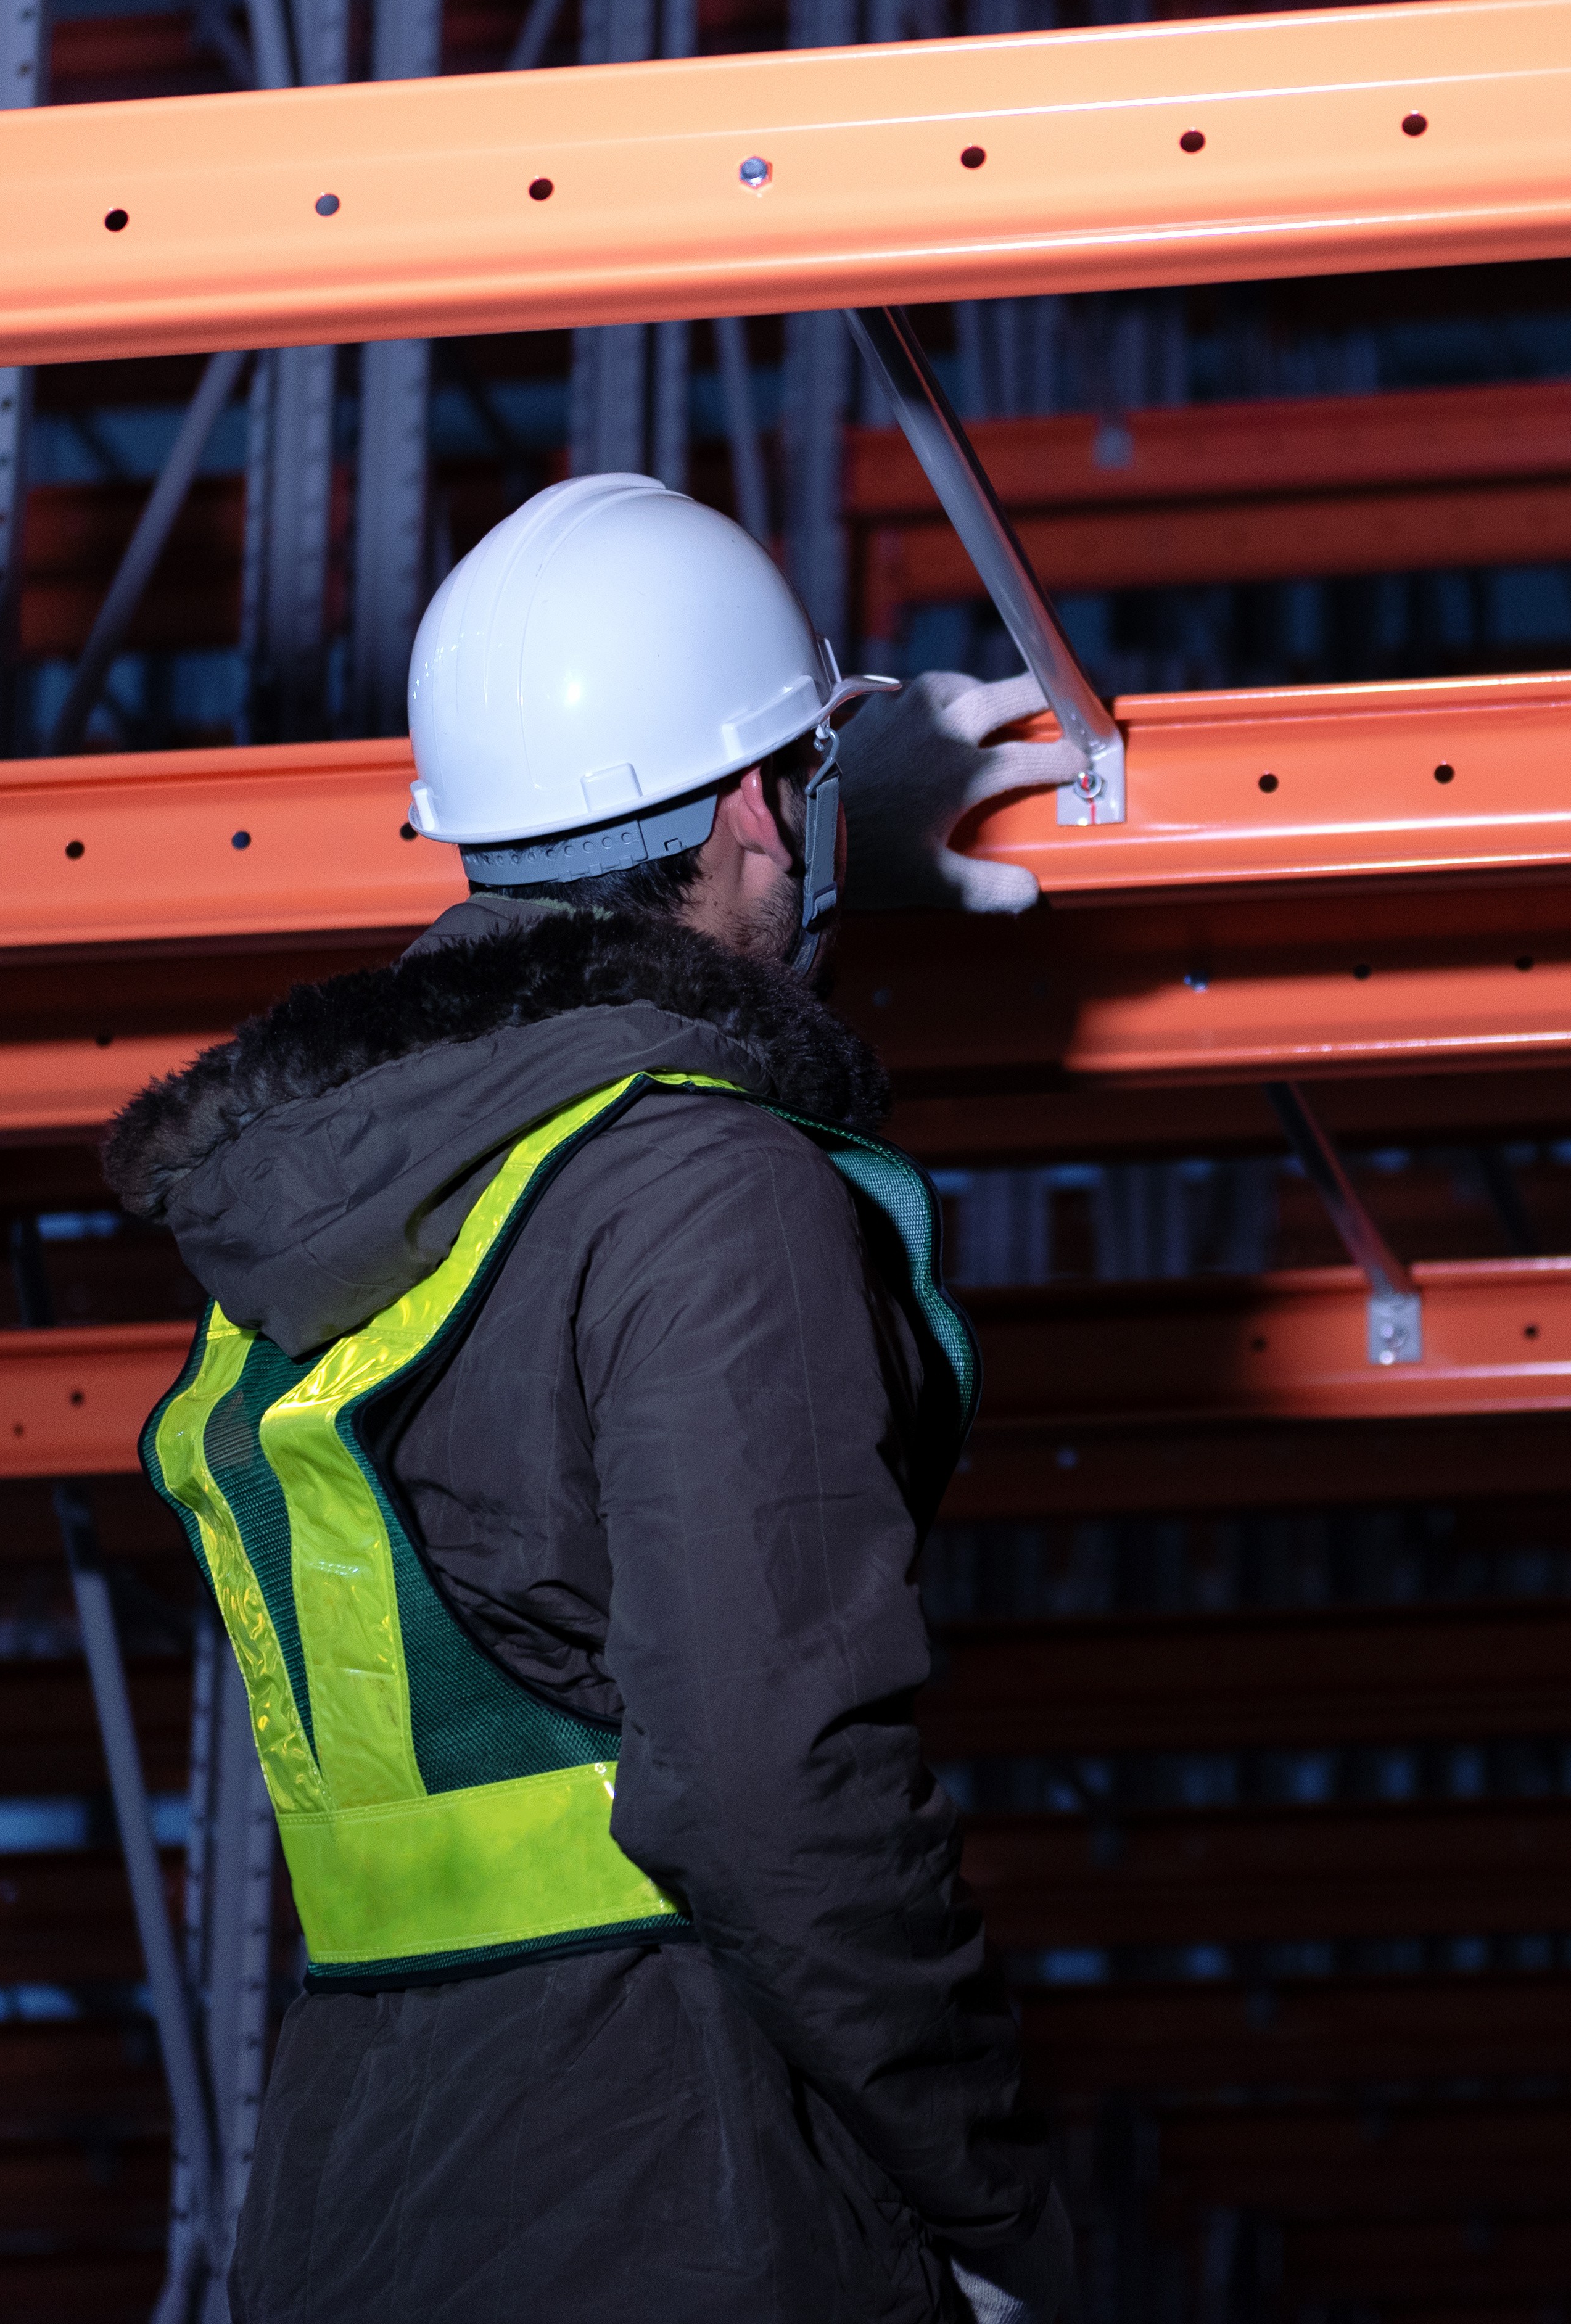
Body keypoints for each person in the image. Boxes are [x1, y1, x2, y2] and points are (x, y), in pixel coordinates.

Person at [103, 473, 1079, 2322]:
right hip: (686, 2194)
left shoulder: (341, 1189)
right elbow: (779, 1789)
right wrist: (1002, 2211)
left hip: (363, 2196)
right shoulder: (707, 1187)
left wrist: (787, 822)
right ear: (748, 814)